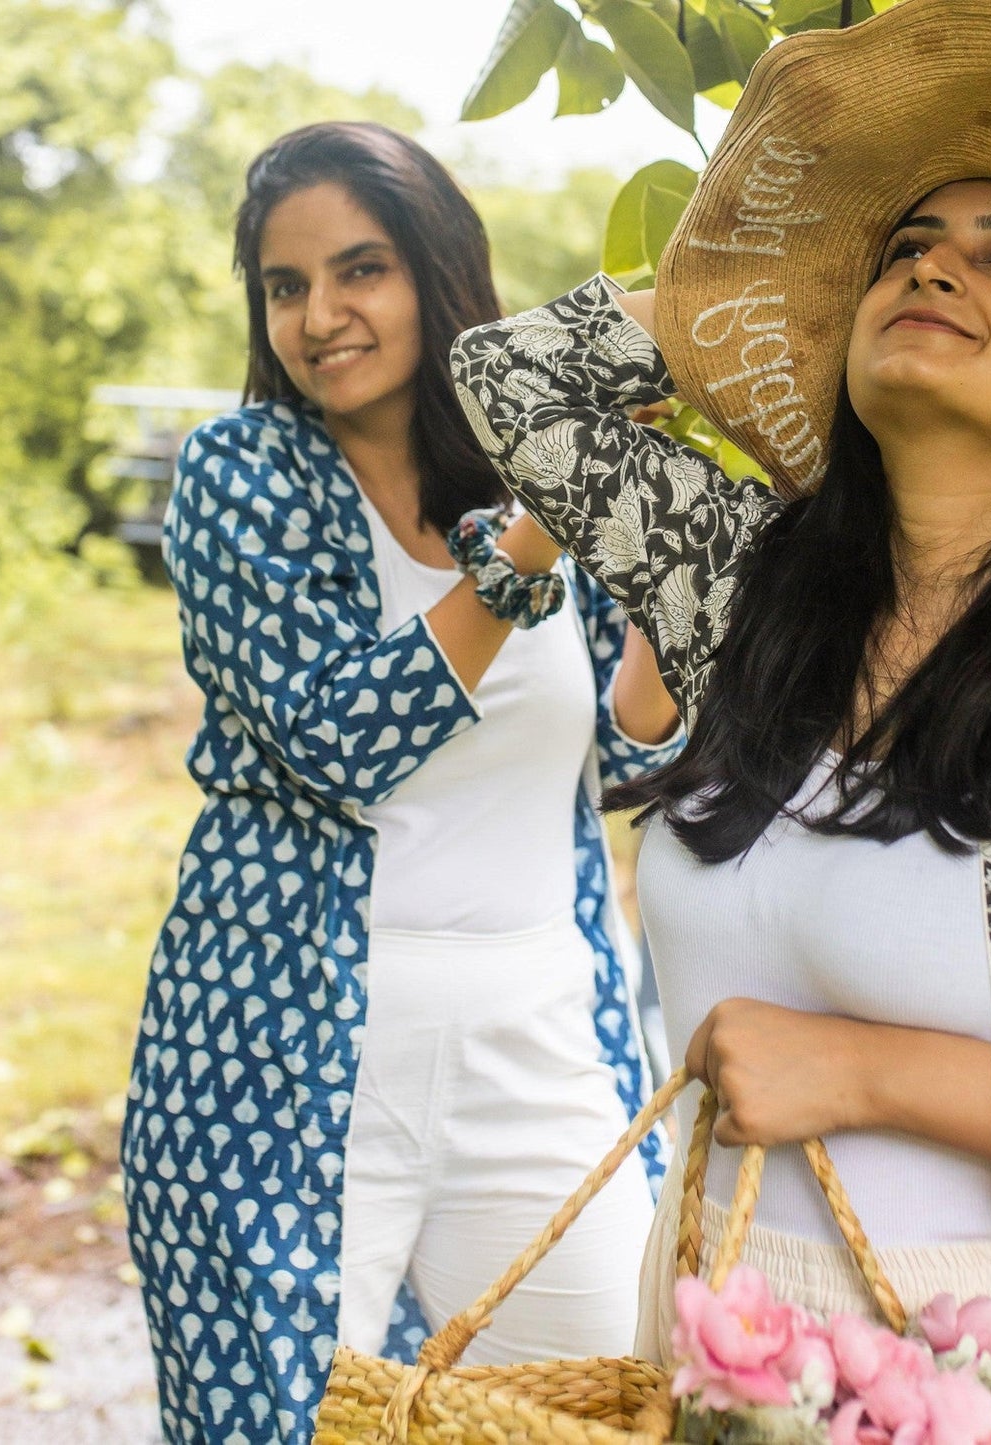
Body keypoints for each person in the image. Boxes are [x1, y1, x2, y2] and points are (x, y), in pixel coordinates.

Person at [449, 1, 991, 1439]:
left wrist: (866, 1073)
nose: (936, 267)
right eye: (904, 251)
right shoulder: (748, 587)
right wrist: (748, 293)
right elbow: (507, 380)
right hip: (724, 1332)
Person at [120, 120, 682, 1445]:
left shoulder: (515, 478)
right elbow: (336, 736)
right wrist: (538, 536)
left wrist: (635, 517)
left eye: (357, 270)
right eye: (284, 285)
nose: (319, 316)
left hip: (541, 1038)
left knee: (613, 1404)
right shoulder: (241, 478)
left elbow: (629, 750)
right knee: (279, 1425)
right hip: (285, 1061)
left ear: (435, 272)